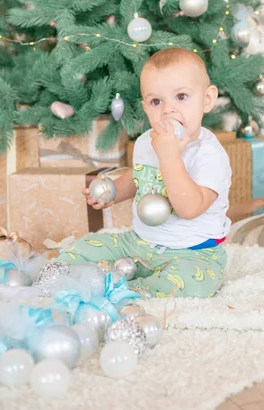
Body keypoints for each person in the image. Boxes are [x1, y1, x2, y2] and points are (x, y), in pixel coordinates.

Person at [57, 48, 232, 298]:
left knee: (192, 282)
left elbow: (190, 208)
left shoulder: (209, 154)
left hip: (194, 252)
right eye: (156, 102)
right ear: (146, 108)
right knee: (86, 247)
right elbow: (138, 177)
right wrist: (113, 192)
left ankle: (133, 292)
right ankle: (60, 276)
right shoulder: (145, 142)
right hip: (140, 242)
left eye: (181, 96)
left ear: (207, 99)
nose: (168, 110)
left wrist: (169, 157)